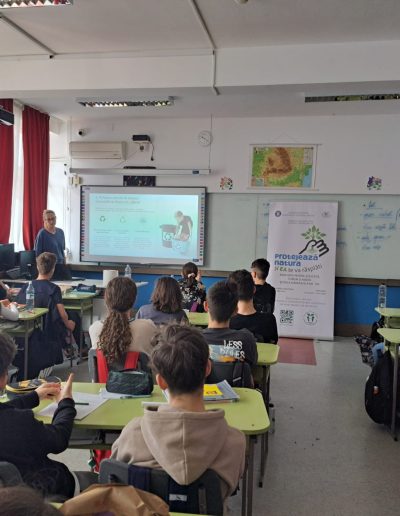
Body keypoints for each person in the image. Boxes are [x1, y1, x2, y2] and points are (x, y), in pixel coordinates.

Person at [111, 324, 246, 501]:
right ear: (207, 368)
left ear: (160, 382)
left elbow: (115, 478)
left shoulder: (132, 434)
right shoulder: (235, 443)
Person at [0, 332, 77, 498]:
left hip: (9, 499)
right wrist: (66, 402)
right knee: (94, 482)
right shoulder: (20, 423)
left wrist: (34, 396)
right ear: (3, 379)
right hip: (37, 495)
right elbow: (58, 440)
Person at [16, 252, 80, 360]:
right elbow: (62, 314)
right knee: (73, 316)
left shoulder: (26, 286)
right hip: (49, 330)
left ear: (37, 267)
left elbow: (19, 306)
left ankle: (66, 347)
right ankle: (80, 349)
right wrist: (69, 324)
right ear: (53, 269)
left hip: (27, 327)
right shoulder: (54, 289)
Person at [202, 281, 258, 387]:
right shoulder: (246, 339)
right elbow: (253, 369)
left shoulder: (192, 340)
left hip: (200, 395)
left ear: (205, 306)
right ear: (236, 310)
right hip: (238, 395)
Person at [89, 276, 157, 360]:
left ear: (106, 300)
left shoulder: (95, 328)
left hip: (105, 369)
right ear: (134, 300)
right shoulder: (147, 327)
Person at [228, 269, 278, 343]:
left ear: (231, 293)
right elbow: (273, 345)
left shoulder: (227, 322)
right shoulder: (270, 320)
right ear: (254, 289)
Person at [35, 210, 71, 281]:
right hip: (49, 267)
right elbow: (38, 255)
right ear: (44, 220)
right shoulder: (42, 234)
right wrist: (42, 272)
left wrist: (65, 264)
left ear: (56, 218)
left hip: (61, 265)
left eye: (53, 218)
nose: (51, 221)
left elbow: (62, 250)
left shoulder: (60, 232)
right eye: (48, 219)